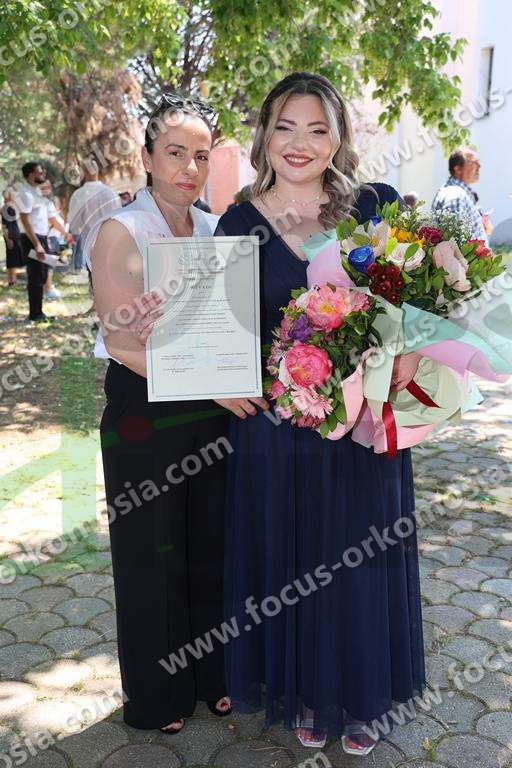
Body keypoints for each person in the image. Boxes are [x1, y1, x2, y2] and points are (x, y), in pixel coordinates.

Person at [212, 72, 425, 754]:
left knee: (359, 557)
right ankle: (305, 691)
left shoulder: (375, 207)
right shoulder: (238, 222)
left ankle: (361, 697)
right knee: (294, 560)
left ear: (339, 138)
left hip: (363, 429)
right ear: (264, 136)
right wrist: (216, 380)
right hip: (280, 428)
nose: (299, 143)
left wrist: (410, 354)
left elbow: (414, 305)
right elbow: (218, 329)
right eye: (285, 127)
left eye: (317, 129)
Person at [86, 95, 268, 734]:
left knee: (209, 549)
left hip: (213, 414)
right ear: (146, 157)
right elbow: (121, 343)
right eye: (174, 153)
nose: (190, 168)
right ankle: (157, 697)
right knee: (151, 556)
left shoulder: (218, 230)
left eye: (201, 155)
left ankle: (213, 676)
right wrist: (212, 382)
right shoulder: (122, 230)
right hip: (145, 415)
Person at [15, 162, 70, 321]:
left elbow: (51, 218)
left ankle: (38, 311)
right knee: (35, 275)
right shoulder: (24, 194)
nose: (43, 174)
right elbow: (25, 221)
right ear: (31, 175)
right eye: (40, 172)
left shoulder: (38, 193)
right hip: (31, 239)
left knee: (43, 273)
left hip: (42, 238)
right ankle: (35, 314)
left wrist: (65, 234)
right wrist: (37, 244)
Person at [68, 161, 121, 271]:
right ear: (97, 170)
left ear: (83, 172)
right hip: (110, 241)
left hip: (89, 243)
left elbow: (74, 226)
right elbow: (119, 218)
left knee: (94, 274)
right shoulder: (110, 193)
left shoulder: (78, 194)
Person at [432, 147, 487, 242]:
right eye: (474, 162)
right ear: (458, 169)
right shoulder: (455, 195)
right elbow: (454, 241)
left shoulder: (456, 192)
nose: (479, 166)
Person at [40, 180, 73, 300]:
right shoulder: (50, 213)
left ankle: (47, 286)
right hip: (51, 239)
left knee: (49, 264)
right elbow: (56, 225)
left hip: (52, 239)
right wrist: (65, 234)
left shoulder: (47, 210)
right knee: (49, 265)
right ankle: (47, 289)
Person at [1, 187, 23, 286]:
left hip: (14, 234)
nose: (15, 195)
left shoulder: (8, 207)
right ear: (9, 195)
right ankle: (12, 280)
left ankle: (12, 279)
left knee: (12, 257)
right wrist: (8, 239)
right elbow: (4, 226)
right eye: (13, 193)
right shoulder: (6, 208)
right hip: (11, 236)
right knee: (12, 258)